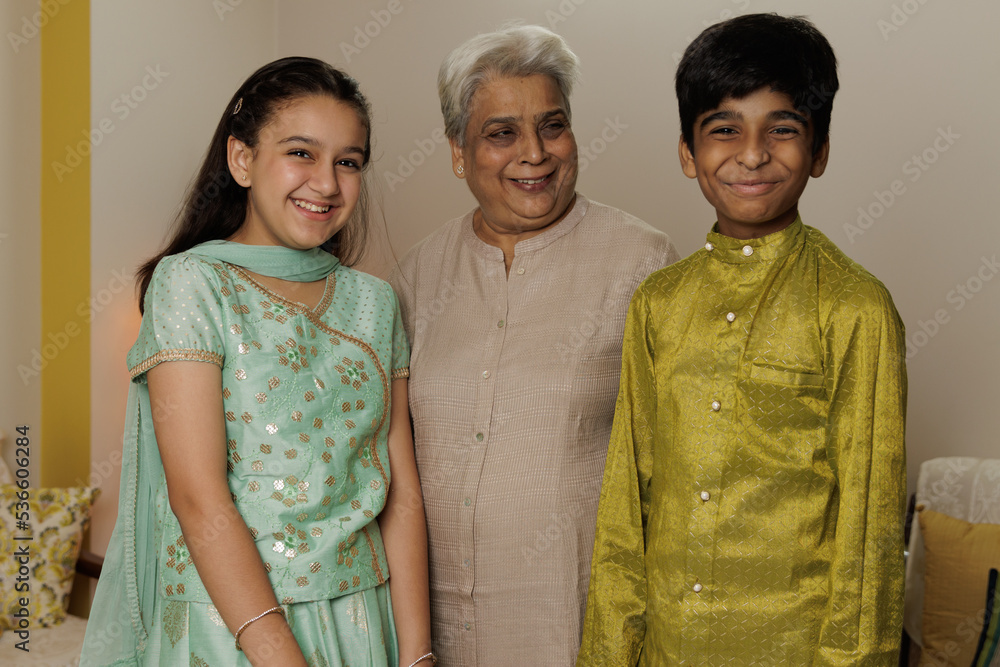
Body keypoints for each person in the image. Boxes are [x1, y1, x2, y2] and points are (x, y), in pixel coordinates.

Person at [80, 57, 433, 667]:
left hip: (359, 615)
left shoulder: (375, 303)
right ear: (241, 160)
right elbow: (198, 495)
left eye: (347, 162)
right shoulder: (193, 283)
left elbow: (400, 493)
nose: (326, 183)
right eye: (301, 153)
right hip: (232, 622)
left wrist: (419, 653)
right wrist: (277, 651)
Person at [578, 13, 908, 666]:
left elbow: (868, 536)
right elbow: (625, 511)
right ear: (687, 151)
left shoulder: (853, 306)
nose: (752, 154)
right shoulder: (659, 303)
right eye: (723, 129)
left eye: (781, 130)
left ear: (819, 150)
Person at [389, 24, 679, 666]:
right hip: (427, 629)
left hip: (571, 623)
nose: (535, 153)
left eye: (553, 125)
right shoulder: (417, 276)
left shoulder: (643, 264)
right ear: (459, 152)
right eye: (502, 133)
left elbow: (680, 470)